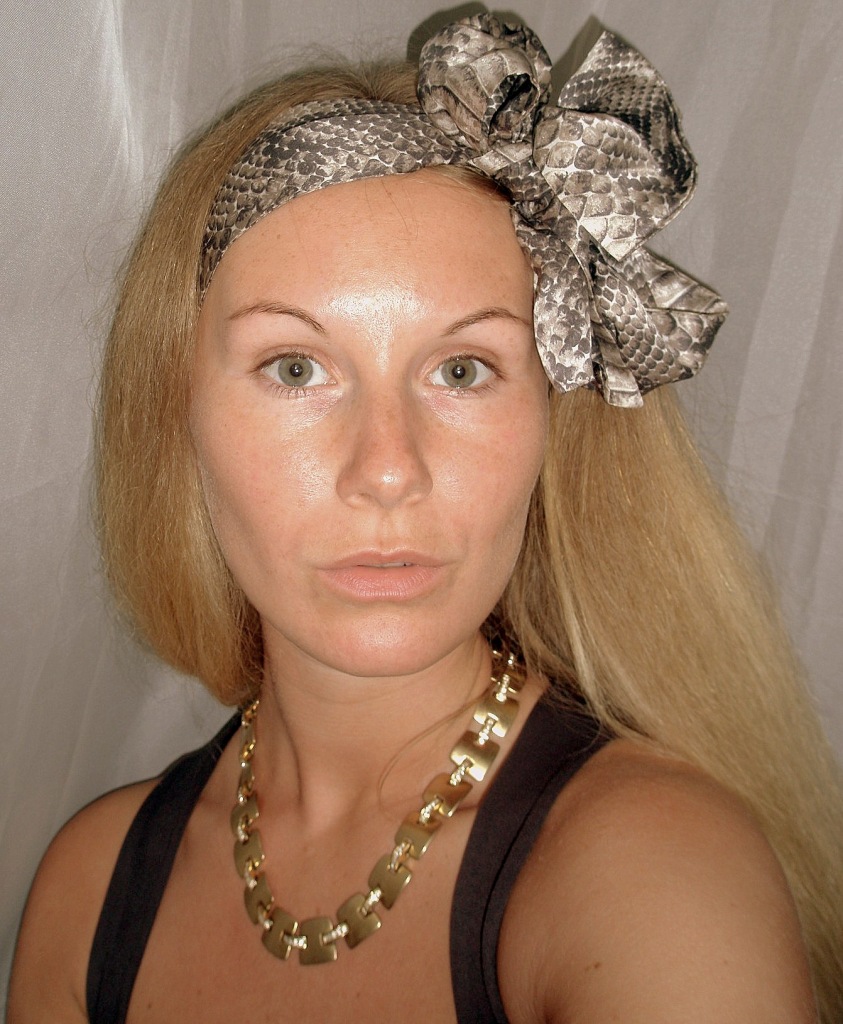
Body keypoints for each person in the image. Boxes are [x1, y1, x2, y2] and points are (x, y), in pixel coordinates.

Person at [8, 13, 843, 1023]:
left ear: (551, 420)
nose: (387, 470)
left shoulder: (658, 879)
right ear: (176, 415)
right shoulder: (88, 892)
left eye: (462, 370)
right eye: (295, 368)